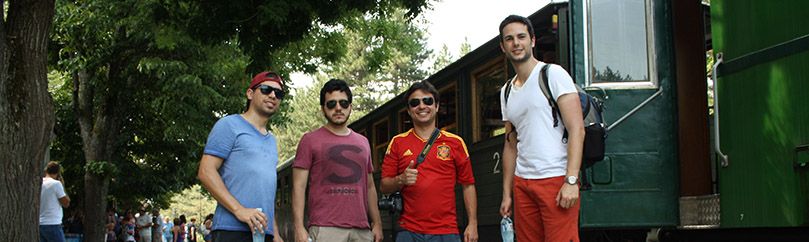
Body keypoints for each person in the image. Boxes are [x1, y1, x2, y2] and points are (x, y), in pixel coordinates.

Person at [497, 15, 585, 242]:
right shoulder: (506, 91)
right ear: (503, 46)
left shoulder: (553, 74)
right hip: (523, 183)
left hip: (555, 178)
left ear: (532, 41)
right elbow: (510, 144)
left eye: (521, 37)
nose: (516, 43)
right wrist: (507, 194)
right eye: (509, 39)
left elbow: (577, 129)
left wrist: (571, 180)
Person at [380, 81, 478, 242]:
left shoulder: (456, 143)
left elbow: (468, 184)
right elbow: (384, 185)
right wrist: (401, 179)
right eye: (414, 102)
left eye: (428, 101)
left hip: (446, 231)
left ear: (437, 106)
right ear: (409, 110)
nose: (421, 106)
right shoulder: (397, 143)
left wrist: (473, 223)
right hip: (408, 231)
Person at [292, 79, 384, 242]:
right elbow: (298, 187)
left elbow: (370, 186)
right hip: (325, 229)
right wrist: (298, 227)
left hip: (362, 230)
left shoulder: (363, 142)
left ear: (350, 106)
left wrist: (377, 223)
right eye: (331, 104)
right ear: (323, 109)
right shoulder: (309, 140)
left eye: (343, 103)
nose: (338, 108)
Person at [198, 71, 286, 242]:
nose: (273, 95)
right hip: (231, 230)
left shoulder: (272, 140)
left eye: (279, 93)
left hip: (263, 233)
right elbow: (205, 171)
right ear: (250, 93)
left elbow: (265, 192)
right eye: (266, 89)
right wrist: (239, 210)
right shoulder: (229, 125)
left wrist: (275, 233)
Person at [40, 161, 71, 242]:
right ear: (58, 173)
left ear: (46, 170)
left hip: (40, 223)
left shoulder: (40, 183)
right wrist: (63, 186)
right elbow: (66, 203)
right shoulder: (56, 184)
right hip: (53, 223)